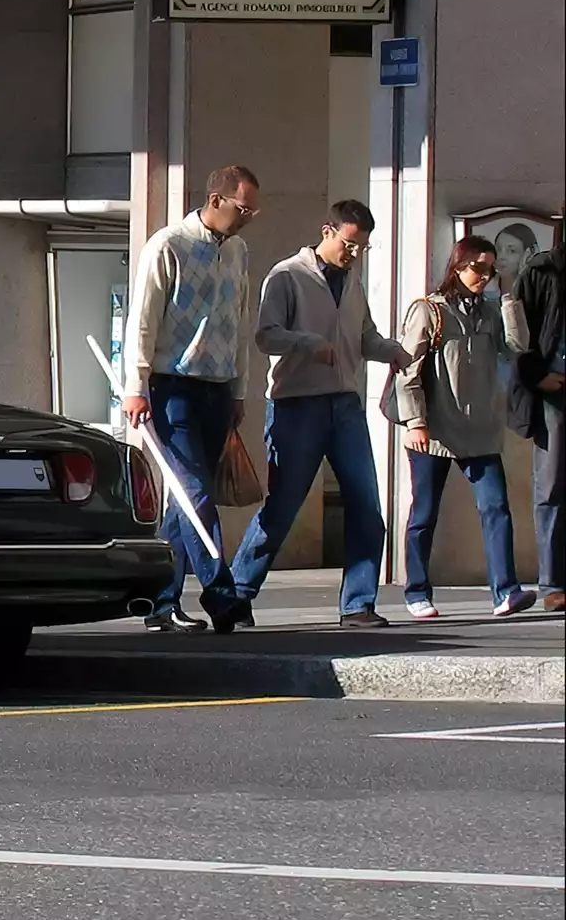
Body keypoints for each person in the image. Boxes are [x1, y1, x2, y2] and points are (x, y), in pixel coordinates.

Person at [217, 200, 410, 631]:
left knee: (367, 506)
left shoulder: (353, 280)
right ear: (327, 231)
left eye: (362, 247)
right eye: (349, 244)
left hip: (346, 405)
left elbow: (364, 336)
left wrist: (392, 351)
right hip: (296, 405)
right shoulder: (287, 275)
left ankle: (357, 604)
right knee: (283, 507)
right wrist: (307, 342)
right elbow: (266, 336)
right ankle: (236, 596)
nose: (354, 254)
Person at [122, 164, 260, 633]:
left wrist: (239, 388)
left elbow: (240, 322)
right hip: (172, 386)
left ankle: (159, 601)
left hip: (218, 386)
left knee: (183, 500)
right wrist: (136, 386)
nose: (247, 218)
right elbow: (143, 320)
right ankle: (223, 597)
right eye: (243, 209)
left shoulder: (238, 251)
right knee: (195, 491)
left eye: (253, 211)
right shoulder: (167, 245)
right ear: (216, 200)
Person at [394, 236, 535, 619]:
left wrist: (508, 297)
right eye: (477, 267)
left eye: (490, 269)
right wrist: (415, 422)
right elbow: (407, 371)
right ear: (457, 266)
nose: (484, 275)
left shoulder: (491, 311)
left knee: (496, 508)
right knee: (424, 513)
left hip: (480, 430)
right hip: (435, 430)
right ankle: (416, 591)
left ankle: (506, 591)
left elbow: (517, 346)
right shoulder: (430, 310)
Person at [508, 219, 565, 612]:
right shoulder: (542, 270)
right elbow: (517, 333)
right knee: (552, 485)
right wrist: (537, 376)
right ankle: (554, 582)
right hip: (555, 392)